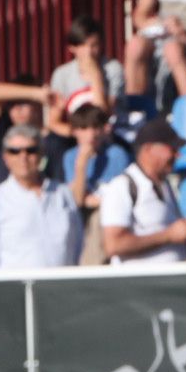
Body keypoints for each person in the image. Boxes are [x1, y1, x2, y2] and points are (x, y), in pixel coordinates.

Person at [0, 125, 82, 269]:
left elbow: (78, 247)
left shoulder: (63, 194)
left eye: (31, 150)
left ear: (42, 154)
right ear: (6, 157)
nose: (23, 157)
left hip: (62, 282)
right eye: (15, 151)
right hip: (14, 283)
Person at [97, 117, 186, 264]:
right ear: (148, 149)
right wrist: (169, 235)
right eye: (172, 149)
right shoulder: (121, 187)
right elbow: (113, 245)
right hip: (140, 279)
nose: (177, 155)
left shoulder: (166, 186)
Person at [63, 103, 131, 265]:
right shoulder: (70, 156)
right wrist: (81, 163)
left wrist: (96, 201)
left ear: (103, 129)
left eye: (95, 127)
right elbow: (77, 200)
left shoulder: (117, 154)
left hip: (109, 214)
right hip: (81, 217)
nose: (91, 134)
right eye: (84, 128)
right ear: (74, 131)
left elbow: (122, 195)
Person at [48, 15, 124, 119]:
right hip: (75, 126)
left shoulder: (113, 69)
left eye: (94, 45)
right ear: (72, 47)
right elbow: (54, 120)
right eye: (83, 45)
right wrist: (78, 129)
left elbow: (103, 117)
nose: (89, 52)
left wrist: (96, 77)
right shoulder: (61, 74)